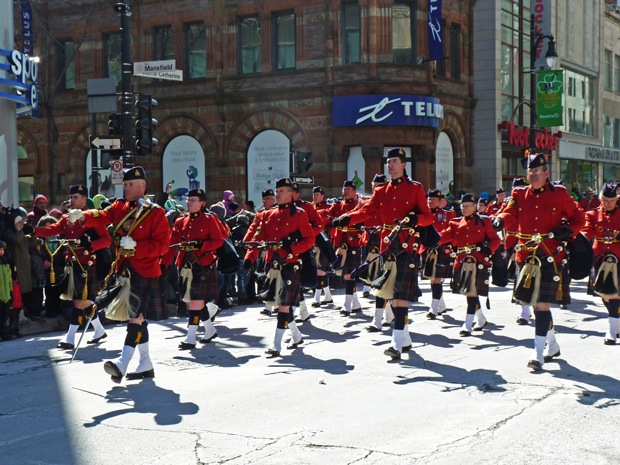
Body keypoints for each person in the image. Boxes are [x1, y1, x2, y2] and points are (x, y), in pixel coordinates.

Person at [70, 167, 170, 382]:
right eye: (124, 185)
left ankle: (122, 364)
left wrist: (136, 246)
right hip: (125, 270)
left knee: (135, 318)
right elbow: (102, 215)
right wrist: (83, 215)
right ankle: (146, 363)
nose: (126, 188)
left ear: (143, 186)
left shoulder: (155, 212)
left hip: (144, 270)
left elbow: (162, 246)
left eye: (131, 185)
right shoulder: (120, 206)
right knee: (138, 318)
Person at [333, 148, 433, 359]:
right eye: (389, 162)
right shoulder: (382, 191)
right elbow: (367, 211)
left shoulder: (416, 188)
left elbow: (428, 217)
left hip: (407, 244)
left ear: (404, 164)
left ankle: (396, 344)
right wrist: (347, 218)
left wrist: (416, 220)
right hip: (388, 246)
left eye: (395, 161)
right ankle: (404, 338)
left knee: (399, 295)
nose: (391, 165)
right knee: (391, 293)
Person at [494, 153, 586, 371]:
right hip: (526, 256)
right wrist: (500, 220)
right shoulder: (518, 193)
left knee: (543, 305)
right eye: (530, 171)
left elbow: (579, 218)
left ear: (546, 173)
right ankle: (551, 344)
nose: (533, 175)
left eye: (537, 171)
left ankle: (537, 354)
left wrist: (567, 232)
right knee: (535, 305)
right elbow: (509, 213)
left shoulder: (560, 194)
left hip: (550, 255)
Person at [31, 185, 112, 349]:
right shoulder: (67, 218)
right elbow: (52, 229)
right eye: (71, 197)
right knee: (85, 300)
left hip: (89, 264)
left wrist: (90, 243)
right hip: (74, 264)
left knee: (79, 301)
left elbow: (107, 240)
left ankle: (70, 338)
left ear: (84, 199)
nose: (72, 200)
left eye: (76, 197)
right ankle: (99, 330)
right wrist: (34, 230)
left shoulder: (92, 217)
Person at [244, 177, 315, 356]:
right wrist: (249, 247)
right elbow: (259, 235)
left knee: (283, 305)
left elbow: (309, 239)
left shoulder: (299, 214)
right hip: (274, 265)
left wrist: (292, 248)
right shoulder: (268, 214)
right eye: (277, 191)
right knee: (283, 304)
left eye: (282, 191)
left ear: (291, 194)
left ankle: (276, 345)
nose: (278, 194)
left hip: (291, 264)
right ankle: (296, 336)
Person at [165, 188, 224, 350]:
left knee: (195, 302)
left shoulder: (209, 219)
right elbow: (171, 245)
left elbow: (218, 241)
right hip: (185, 266)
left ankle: (190, 337)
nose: (189, 203)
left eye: (193, 200)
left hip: (204, 264)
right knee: (196, 301)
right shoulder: (180, 221)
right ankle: (210, 330)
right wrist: (162, 264)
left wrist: (202, 245)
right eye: (188, 200)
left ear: (202, 203)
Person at [438, 194, 501, 335]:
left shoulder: (485, 222)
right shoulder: (455, 223)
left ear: (474, 208)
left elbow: (495, 240)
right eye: (463, 206)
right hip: (462, 261)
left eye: (467, 206)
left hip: (478, 261)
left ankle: (467, 324)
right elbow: (444, 236)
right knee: (470, 292)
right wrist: (430, 237)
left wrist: (488, 250)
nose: (464, 209)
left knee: (472, 292)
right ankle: (481, 319)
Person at [581, 183, 620, 344]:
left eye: (611, 200)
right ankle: (616, 321)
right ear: (601, 199)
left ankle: (611, 331)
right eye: (605, 200)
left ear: (616, 199)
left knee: (615, 294)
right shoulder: (592, 214)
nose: (608, 203)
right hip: (599, 256)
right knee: (604, 295)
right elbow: (586, 232)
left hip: (618, 256)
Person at [328, 180, 366, 316]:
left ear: (355, 192)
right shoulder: (338, 205)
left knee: (350, 275)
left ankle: (347, 305)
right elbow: (328, 215)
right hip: (341, 242)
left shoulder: (359, 205)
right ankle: (355, 304)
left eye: (349, 189)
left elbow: (364, 221)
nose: (346, 192)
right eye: (344, 189)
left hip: (354, 242)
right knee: (345, 274)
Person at [291, 181, 327, 322]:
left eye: (291, 191)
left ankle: (293, 311)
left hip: (303, 248)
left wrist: (304, 235)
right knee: (292, 280)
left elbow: (319, 225)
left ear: (297, 194)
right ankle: (302, 311)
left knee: (298, 279)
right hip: (286, 249)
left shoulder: (306, 207)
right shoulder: (279, 209)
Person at [424, 189, 456, 320]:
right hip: (426, 249)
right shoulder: (423, 214)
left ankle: (434, 308)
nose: (431, 202)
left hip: (441, 249)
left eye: (433, 200)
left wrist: (453, 248)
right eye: (429, 199)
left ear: (440, 201)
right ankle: (440, 305)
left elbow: (454, 231)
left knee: (436, 278)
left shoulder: (448, 214)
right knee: (432, 279)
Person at [244, 188, 277, 315]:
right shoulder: (260, 213)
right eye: (264, 199)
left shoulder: (277, 211)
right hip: (262, 250)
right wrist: (246, 241)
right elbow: (253, 229)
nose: (265, 201)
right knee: (265, 277)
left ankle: (276, 305)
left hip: (274, 249)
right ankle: (269, 305)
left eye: (268, 198)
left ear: (274, 199)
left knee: (275, 277)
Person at [311, 186, 334, 307]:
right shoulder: (310, 208)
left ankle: (317, 298)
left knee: (320, 271)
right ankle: (328, 296)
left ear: (323, 196)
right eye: (314, 194)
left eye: (318, 195)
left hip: (324, 242)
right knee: (319, 271)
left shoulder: (328, 209)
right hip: (313, 243)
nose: (315, 197)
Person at [0, 240, 15, 341]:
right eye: (0, 250)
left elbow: (9, 279)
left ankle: (4, 334)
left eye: (2, 250)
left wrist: (10, 292)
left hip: (5, 295)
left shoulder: (6, 262)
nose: (1, 252)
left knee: (4, 316)